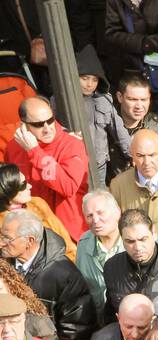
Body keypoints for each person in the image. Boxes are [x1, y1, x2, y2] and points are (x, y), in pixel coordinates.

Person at [1, 210, 97, 340]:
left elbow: (76, 332)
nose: (1, 243)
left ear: (29, 241)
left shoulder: (64, 275)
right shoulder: (3, 262)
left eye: (7, 238)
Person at [101, 0, 158, 144]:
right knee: (138, 130)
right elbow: (112, 33)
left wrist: (151, 43)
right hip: (132, 73)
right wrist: (141, 43)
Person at [4, 97, 89, 240]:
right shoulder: (13, 148)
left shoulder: (72, 144)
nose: (47, 128)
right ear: (24, 125)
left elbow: (68, 187)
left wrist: (34, 151)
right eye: (38, 124)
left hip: (70, 233)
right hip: (33, 232)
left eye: (50, 120)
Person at [101, 209, 158, 322]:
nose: (137, 247)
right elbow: (110, 315)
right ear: (121, 239)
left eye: (143, 239)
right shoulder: (112, 268)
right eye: (130, 241)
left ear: (153, 232)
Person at [64, 46, 133, 188]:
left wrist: (133, 154)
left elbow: (119, 130)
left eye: (94, 80)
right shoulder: (61, 101)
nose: (90, 84)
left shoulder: (103, 100)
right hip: (72, 164)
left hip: (99, 164)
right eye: (84, 78)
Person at [110, 74, 158, 175]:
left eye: (144, 100)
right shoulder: (105, 123)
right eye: (133, 99)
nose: (139, 106)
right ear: (120, 97)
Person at [0, 162, 75, 260]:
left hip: (61, 265)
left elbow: (66, 242)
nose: (29, 186)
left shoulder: (38, 204)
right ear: (8, 191)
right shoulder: (2, 223)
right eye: (23, 185)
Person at [76, 190, 125, 316]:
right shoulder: (83, 244)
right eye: (89, 216)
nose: (95, 220)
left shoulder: (137, 241)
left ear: (117, 212)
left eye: (100, 213)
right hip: (98, 322)